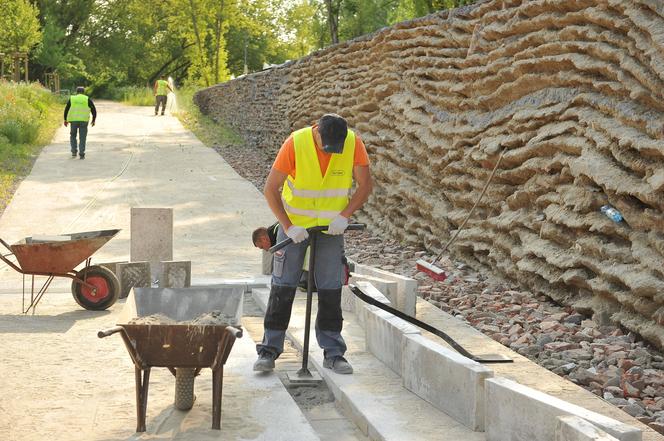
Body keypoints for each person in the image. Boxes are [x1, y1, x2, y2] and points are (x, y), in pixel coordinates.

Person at [254, 113, 372, 375]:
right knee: (282, 287)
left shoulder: (353, 143)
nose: (330, 152)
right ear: (316, 131)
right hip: (295, 226)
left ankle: (334, 352)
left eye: (335, 149)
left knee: (330, 289)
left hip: (331, 228)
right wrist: (287, 226)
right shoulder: (295, 143)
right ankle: (269, 350)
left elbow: (365, 185)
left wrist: (345, 216)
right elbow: (271, 188)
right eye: (325, 146)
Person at [252, 223, 351, 290]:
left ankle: (308, 283)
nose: (265, 250)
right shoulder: (276, 229)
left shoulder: (278, 232)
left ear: (264, 238)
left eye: (262, 247)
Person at [63, 86, 96, 159]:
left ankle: (74, 152)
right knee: (82, 137)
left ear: (76, 92)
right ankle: (81, 154)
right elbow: (93, 109)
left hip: (73, 121)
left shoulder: (72, 99)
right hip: (84, 121)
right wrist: (93, 120)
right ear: (83, 92)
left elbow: (66, 109)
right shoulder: (87, 99)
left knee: (73, 136)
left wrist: (65, 120)